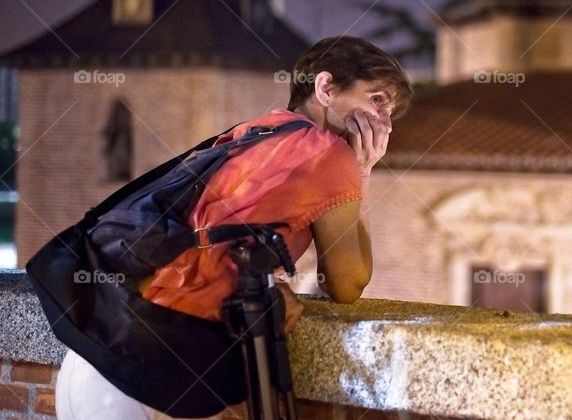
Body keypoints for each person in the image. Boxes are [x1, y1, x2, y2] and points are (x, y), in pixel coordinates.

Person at [55, 35, 413, 420]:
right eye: (377, 100)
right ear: (325, 88)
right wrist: (360, 171)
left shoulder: (252, 133)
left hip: (90, 361)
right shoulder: (327, 155)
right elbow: (347, 284)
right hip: (157, 375)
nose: (384, 123)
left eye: (390, 112)